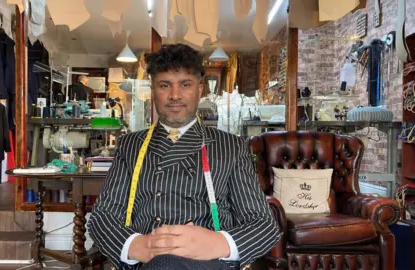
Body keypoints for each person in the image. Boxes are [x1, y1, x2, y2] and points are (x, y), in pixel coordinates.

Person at [87, 44, 280, 270]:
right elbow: (102, 217)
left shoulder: (231, 147)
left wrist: (218, 243)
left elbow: (264, 225)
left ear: (199, 90)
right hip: (145, 263)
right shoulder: (131, 145)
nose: (175, 95)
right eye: (165, 85)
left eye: (185, 85)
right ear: (153, 90)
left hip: (209, 264)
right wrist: (136, 245)